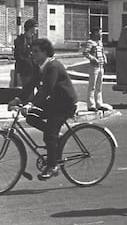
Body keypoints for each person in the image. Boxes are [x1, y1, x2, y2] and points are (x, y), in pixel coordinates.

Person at [8, 38, 78, 180]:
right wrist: (19, 99)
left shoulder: (53, 66)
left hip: (65, 104)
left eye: (36, 52)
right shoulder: (39, 66)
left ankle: (53, 166)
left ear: (45, 52)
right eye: (31, 51)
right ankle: (56, 138)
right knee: (31, 117)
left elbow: (46, 90)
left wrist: (31, 104)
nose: (32, 54)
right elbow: (30, 85)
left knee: (49, 135)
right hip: (54, 102)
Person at [83, 27, 108, 112]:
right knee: (92, 86)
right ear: (95, 33)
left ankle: (99, 104)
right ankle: (91, 105)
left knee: (99, 86)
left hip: (101, 66)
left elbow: (102, 51)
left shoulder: (100, 43)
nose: (101, 34)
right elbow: (85, 53)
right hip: (94, 67)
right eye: (100, 32)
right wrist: (93, 59)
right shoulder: (90, 43)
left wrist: (104, 58)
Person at [13, 18, 38, 87]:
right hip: (25, 71)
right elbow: (18, 56)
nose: (37, 29)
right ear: (30, 28)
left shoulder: (35, 40)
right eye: (35, 27)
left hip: (35, 70)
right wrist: (28, 63)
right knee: (27, 91)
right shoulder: (20, 40)